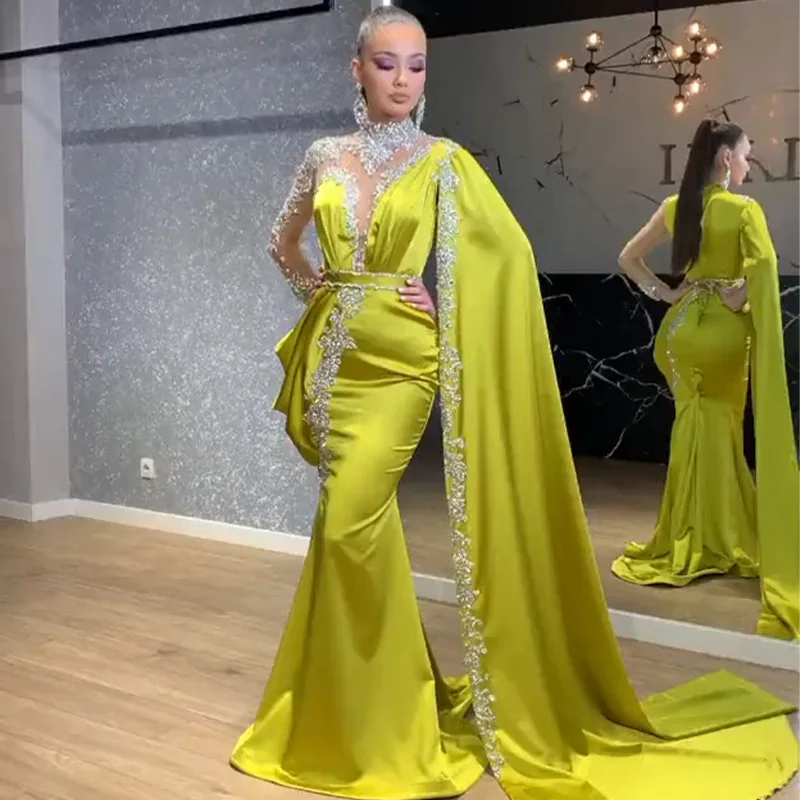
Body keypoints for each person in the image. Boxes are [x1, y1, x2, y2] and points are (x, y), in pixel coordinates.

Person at [231, 9, 798, 799]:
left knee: (353, 520)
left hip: (403, 363)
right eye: (387, 64)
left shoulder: (443, 161)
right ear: (356, 70)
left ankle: (370, 722)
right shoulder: (324, 155)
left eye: (417, 65)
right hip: (334, 365)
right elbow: (281, 242)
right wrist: (323, 290)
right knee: (349, 526)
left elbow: (509, 252)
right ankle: (365, 705)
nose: (403, 79)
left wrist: (446, 304)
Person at [611, 118, 799, 642]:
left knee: (696, 428)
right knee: (719, 429)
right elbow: (764, 268)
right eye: (745, 155)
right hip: (720, 333)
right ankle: (717, 537)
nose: (747, 165)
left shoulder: (677, 207)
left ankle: (692, 533)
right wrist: (738, 294)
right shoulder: (743, 210)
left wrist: (667, 293)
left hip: (679, 333)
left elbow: (628, 258)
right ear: (725, 159)